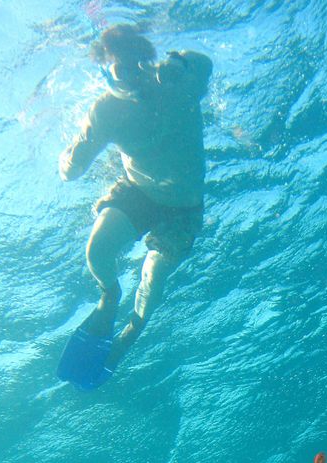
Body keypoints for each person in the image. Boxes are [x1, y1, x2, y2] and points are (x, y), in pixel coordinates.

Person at [58, 24, 213, 376]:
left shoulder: (176, 81)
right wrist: (68, 157)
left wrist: (180, 62)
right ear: (105, 73)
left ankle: (130, 333)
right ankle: (109, 295)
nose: (134, 77)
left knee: (153, 278)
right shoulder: (106, 111)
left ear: (149, 61)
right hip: (137, 191)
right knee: (97, 249)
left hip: (184, 210)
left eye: (139, 65)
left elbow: (203, 65)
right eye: (122, 69)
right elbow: (71, 170)